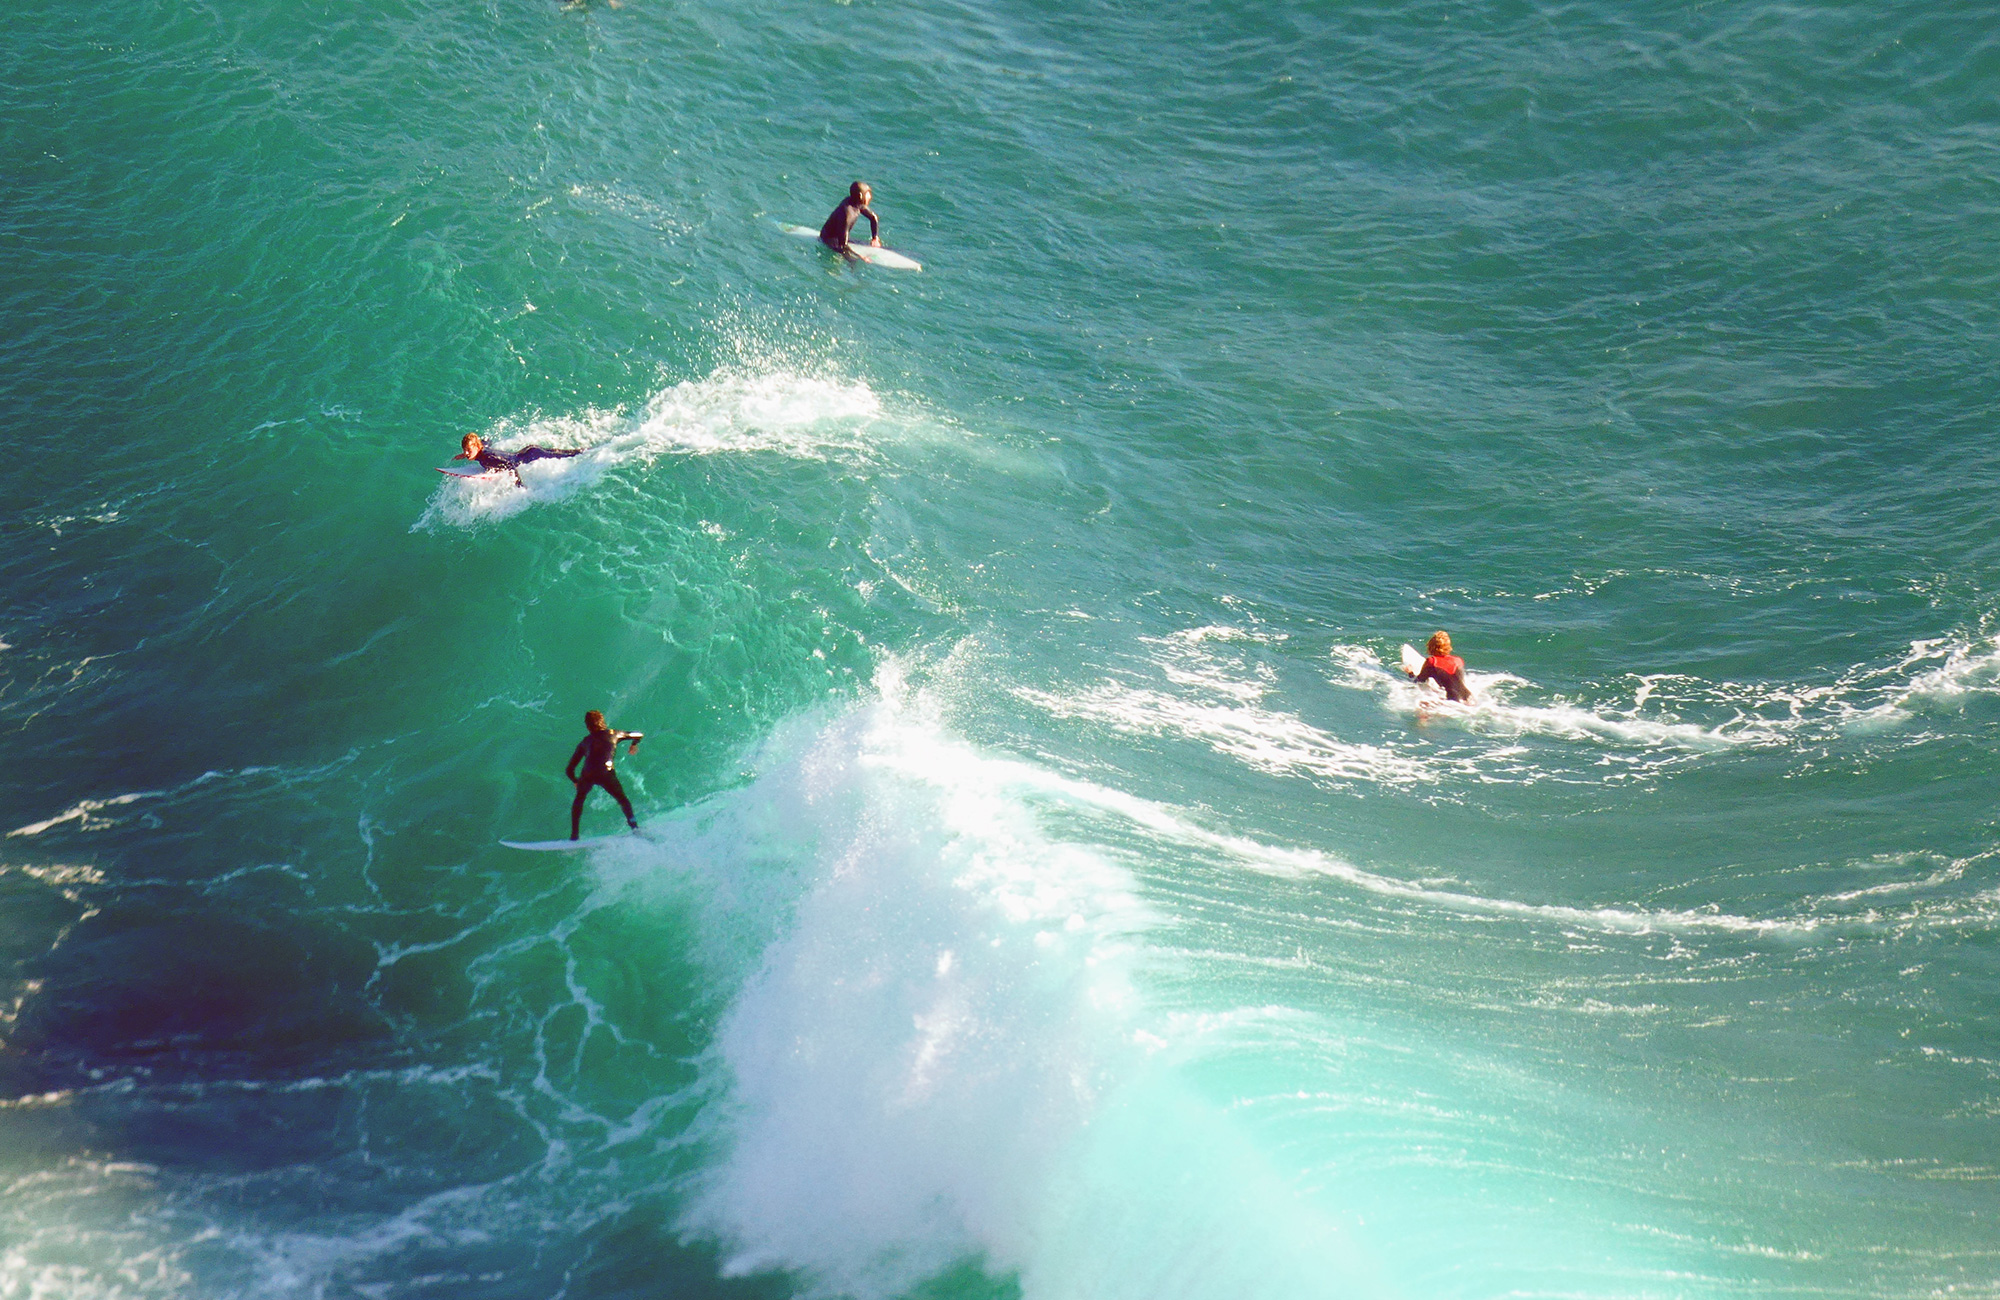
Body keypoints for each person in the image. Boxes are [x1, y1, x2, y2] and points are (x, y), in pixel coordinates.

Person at [566, 710, 643, 839]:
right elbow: (639, 735)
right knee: (623, 800)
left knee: (579, 801)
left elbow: (569, 770)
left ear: (588, 726)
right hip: (606, 774)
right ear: (603, 722)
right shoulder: (615, 734)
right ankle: (635, 828)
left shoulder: (585, 742)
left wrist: (575, 781)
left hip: (587, 774)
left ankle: (574, 836)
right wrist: (633, 745)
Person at [453, 433, 581, 488]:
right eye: (465, 450)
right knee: (559, 453)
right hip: (528, 451)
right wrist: (464, 455)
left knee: (567, 455)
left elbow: (510, 466)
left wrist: (519, 485)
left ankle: (586, 451)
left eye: (469, 450)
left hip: (531, 456)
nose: (466, 453)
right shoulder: (482, 450)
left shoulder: (487, 458)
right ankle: (582, 450)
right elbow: (486, 441)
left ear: (476, 447)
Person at [818, 181, 882, 258]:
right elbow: (842, 246)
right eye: (868, 194)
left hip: (840, 237)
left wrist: (875, 238)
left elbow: (873, 218)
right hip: (829, 239)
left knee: (863, 244)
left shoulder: (857, 204)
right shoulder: (847, 214)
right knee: (853, 261)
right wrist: (860, 256)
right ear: (860, 196)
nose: (870, 197)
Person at [1407, 630, 1472, 703]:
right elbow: (1453, 682)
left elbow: (1419, 681)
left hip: (1453, 702)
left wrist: (1410, 673)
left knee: (1421, 705)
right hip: (1469, 699)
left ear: (1430, 646)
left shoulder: (1432, 662)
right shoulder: (1458, 660)